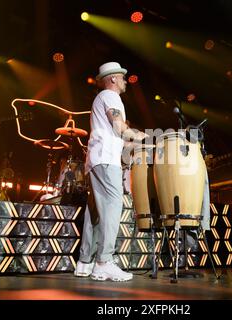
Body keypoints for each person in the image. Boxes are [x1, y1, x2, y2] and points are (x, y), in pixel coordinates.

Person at [74, 62, 147, 281]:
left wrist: (130, 143)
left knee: (95, 212)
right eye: (122, 77)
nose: (125, 81)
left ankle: (84, 263)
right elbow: (118, 126)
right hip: (106, 160)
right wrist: (138, 136)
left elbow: (113, 132)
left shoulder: (101, 98)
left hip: (97, 159)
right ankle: (104, 262)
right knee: (114, 205)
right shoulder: (111, 96)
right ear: (113, 79)